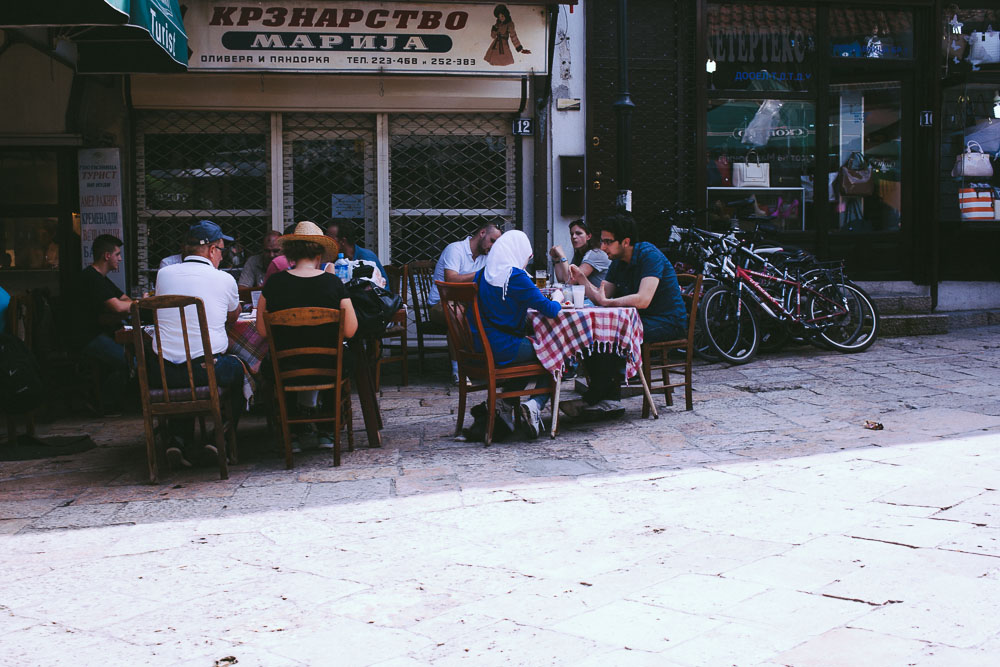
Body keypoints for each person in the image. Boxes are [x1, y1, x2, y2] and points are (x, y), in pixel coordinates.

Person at [564, 212, 687, 419]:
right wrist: (583, 280)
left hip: (667, 321)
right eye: (602, 241)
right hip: (638, 320)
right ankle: (606, 399)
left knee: (612, 337)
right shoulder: (617, 261)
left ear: (626, 242)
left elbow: (643, 299)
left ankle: (600, 399)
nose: (603, 247)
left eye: (608, 242)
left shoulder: (649, 255)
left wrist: (609, 302)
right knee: (593, 335)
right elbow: (602, 297)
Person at [256, 221, 357, 452]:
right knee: (343, 359)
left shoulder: (274, 284)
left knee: (277, 364)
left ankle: (292, 433)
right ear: (320, 254)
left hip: (285, 368)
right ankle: (326, 430)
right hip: (328, 366)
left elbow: (262, 330)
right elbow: (350, 330)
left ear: (290, 253)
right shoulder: (333, 283)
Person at [153, 220, 244, 468]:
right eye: (222, 250)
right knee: (238, 370)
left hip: (163, 373)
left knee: (184, 364)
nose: (222, 256)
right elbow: (232, 316)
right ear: (212, 250)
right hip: (207, 370)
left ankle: (178, 439)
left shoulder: (164, 274)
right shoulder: (224, 278)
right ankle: (219, 439)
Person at [468, 230, 560, 438]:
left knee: (534, 352)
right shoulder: (515, 277)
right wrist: (558, 297)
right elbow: (550, 310)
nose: (525, 263)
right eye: (526, 258)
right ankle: (536, 405)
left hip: (478, 346)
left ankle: (505, 404)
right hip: (502, 347)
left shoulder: (482, 274)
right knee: (556, 352)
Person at [428, 222, 502, 383]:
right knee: (457, 313)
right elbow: (451, 279)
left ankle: (489, 364)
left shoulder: (487, 256)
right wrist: (481, 274)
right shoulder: (455, 249)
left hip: (468, 303)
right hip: (440, 303)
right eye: (492, 241)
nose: (493, 246)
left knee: (495, 310)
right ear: (482, 233)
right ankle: (459, 370)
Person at [72, 234, 132, 411]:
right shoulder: (92, 278)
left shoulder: (101, 278)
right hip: (85, 337)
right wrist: (140, 304)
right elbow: (118, 307)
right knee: (129, 362)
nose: (120, 259)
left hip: (97, 332)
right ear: (107, 256)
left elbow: (125, 299)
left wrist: (130, 304)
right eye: (117, 254)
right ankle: (103, 404)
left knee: (130, 354)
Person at [549, 219, 611, 288]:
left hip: (601, 294)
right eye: (572, 234)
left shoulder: (595, 253)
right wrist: (557, 259)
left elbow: (570, 281)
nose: (574, 237)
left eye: (578, 233)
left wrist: (562, 256)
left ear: (588, 236)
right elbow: (562, 280)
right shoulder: (579, 253)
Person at [329, 222, 388, 287]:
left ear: (342, 241)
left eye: (330, 239)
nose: (328, 242)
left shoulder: (366, 257)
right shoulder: (336, 259)